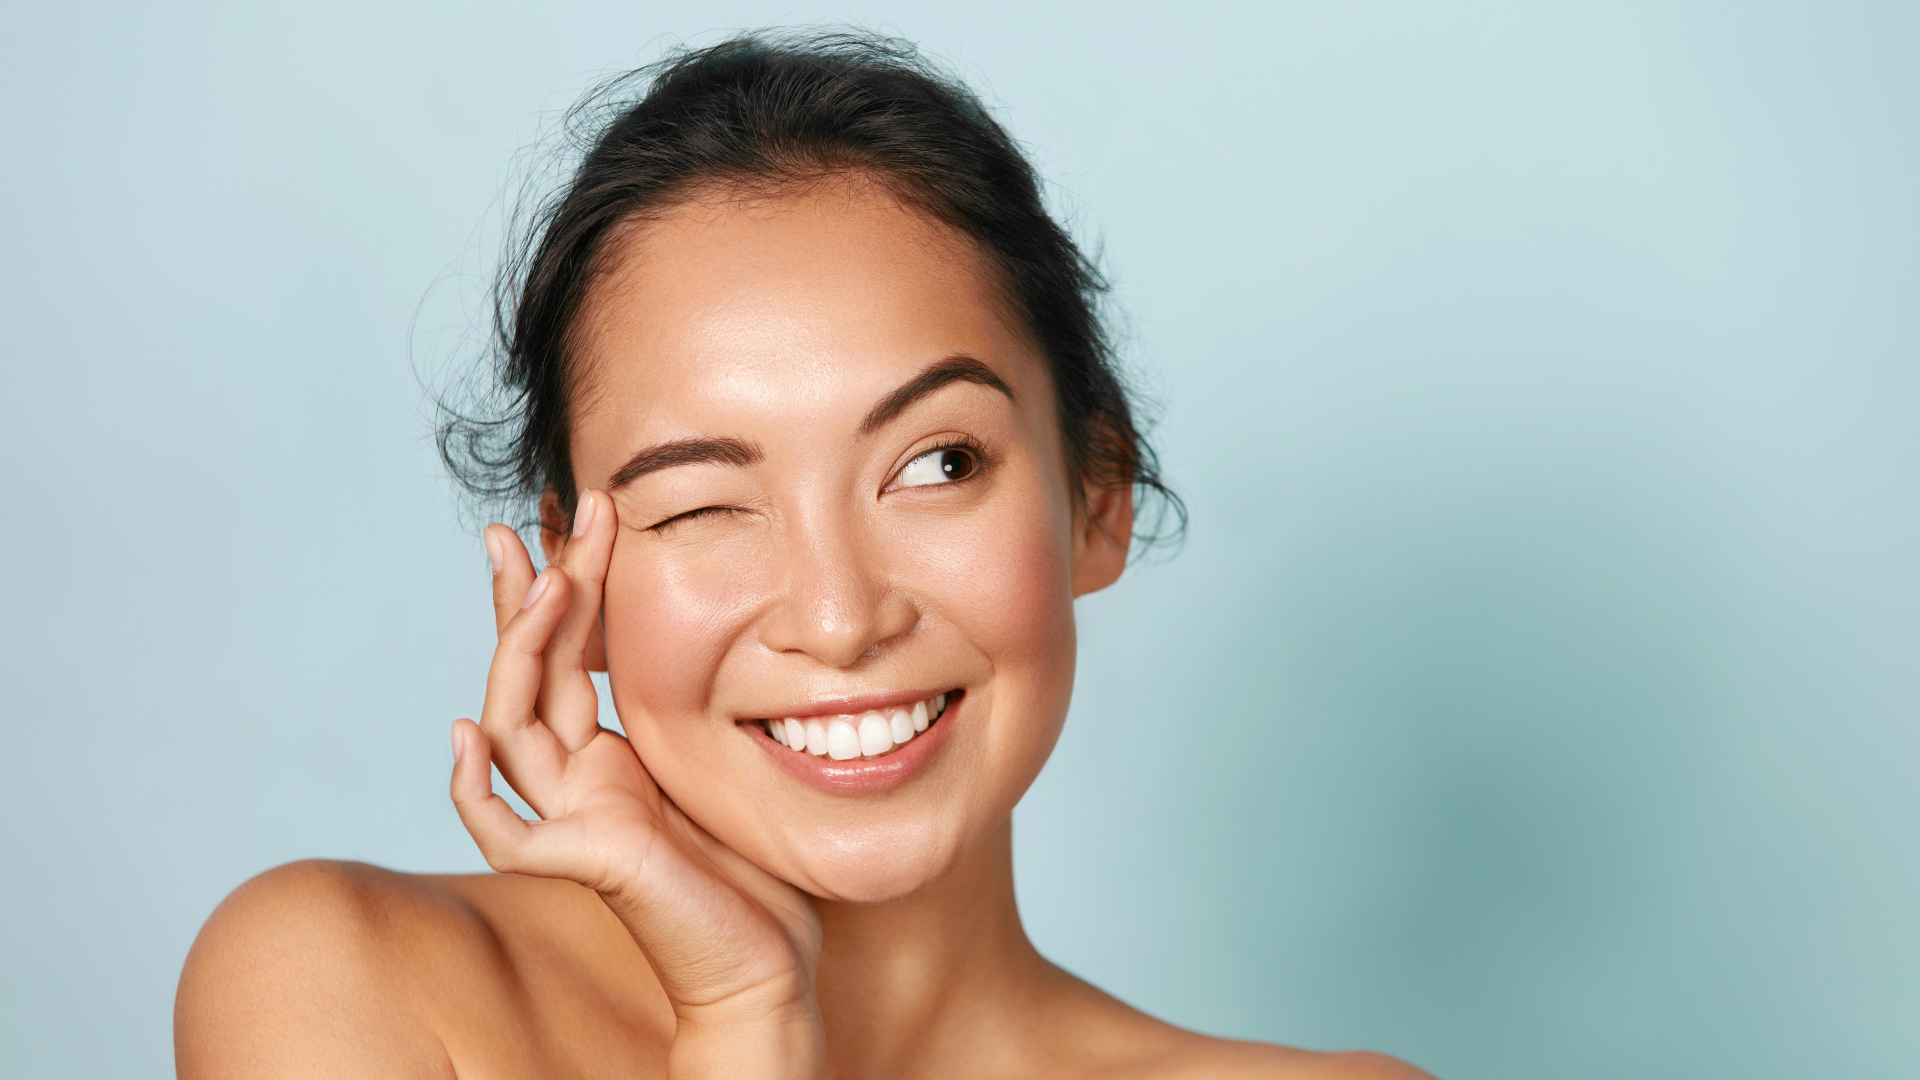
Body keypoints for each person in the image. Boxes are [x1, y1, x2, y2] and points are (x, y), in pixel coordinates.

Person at [174, 31, 1430, 1079]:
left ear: (1095, 493)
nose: (838, 619)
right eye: (704, 505)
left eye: (937, 464)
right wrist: (743, 1019)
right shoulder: (350, 986)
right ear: (576, 580)